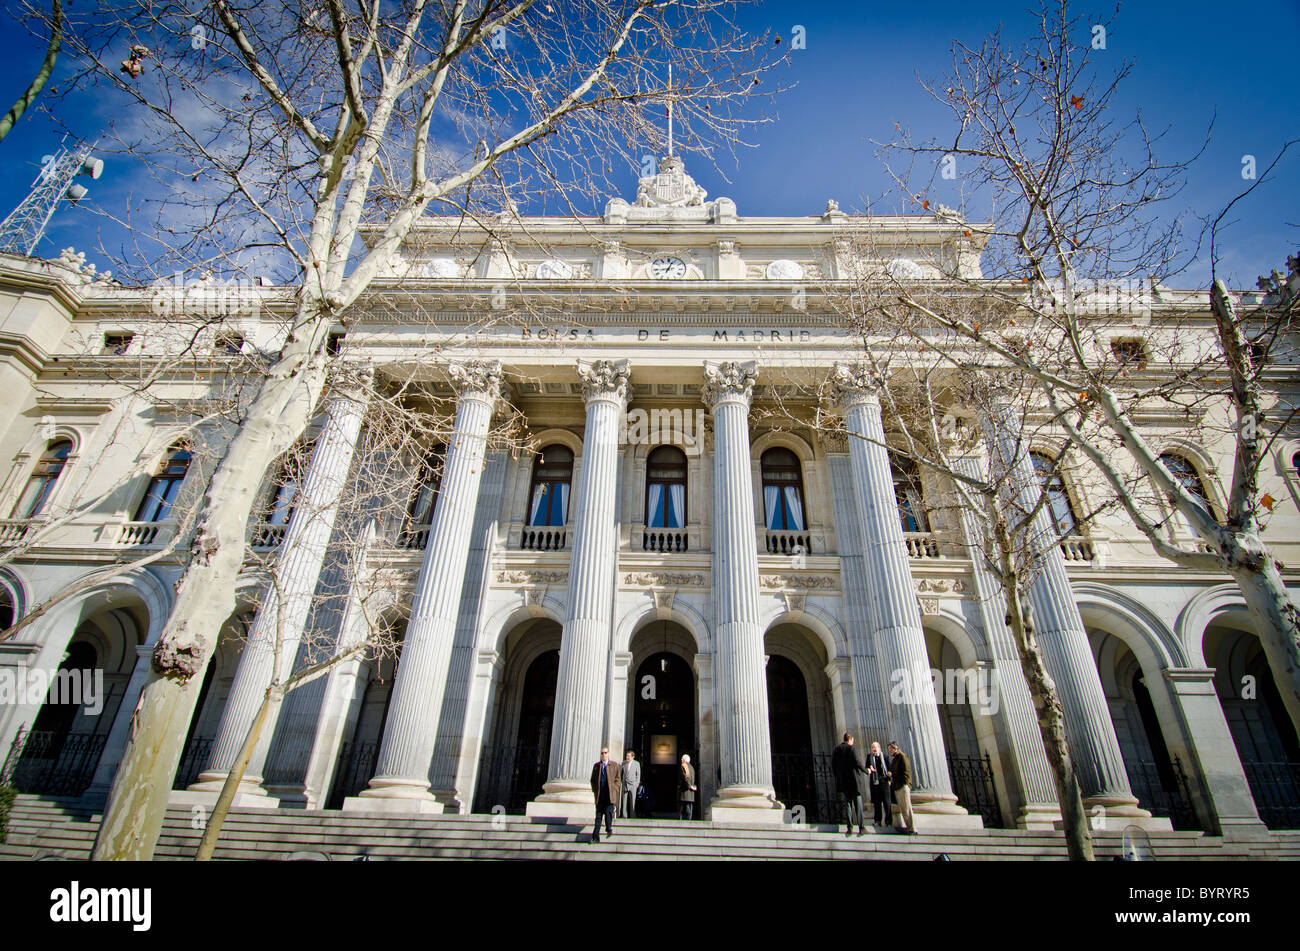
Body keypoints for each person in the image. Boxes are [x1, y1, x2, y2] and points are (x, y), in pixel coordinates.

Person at [830, 732, 868, 835]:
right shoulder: (851, 748)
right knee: (858, 804)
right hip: (854, 781)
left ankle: (850, 827)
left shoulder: (836, 750)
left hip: (843, 782)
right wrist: (866, 770)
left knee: (848, 804)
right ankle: (861, 827)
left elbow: (833, 764)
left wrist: (837, 776)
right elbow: (857, 762)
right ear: (850, 740)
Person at [589, 747, 622, 843]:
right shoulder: (597, 766)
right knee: (598, 818)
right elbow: (593, 780)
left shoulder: (614, 765)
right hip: (600, 796)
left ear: (608, 754)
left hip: (609, 796)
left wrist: (614, 789)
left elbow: (618, 779)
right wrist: (595, 791)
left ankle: (609, 829)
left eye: (605, 753)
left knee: (608, 814)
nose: (604, 755)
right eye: (602, 753)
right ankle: (595, 837)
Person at [887, 741, 916, 834]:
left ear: (895, 748)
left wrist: (907, 784)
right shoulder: (895, 759)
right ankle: (909, 828)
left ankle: (913, 828)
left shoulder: (902, 757)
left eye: (891, 750)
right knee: (903, 809)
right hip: (898, 786)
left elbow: (906, 772)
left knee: (907, 807)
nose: (890, 752)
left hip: (903, 785)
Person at [866, 740, 892, 828]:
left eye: (875, 747)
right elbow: (867, 767)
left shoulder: (885, 757)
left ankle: (888, 821)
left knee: (887, 803)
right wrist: (869, 769)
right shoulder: (869, 757)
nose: (874, 749)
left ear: (879, 748)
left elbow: (889, 769)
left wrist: (889, 779)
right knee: (877, 803)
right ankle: (877, 820)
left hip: (884, 781)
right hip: (875, 782)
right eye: (872, 747)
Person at [620, 749, 641, 819]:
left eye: (629, 756)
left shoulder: (636, 764)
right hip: (625, 784)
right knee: (624, 800)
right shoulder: (623, 763)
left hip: (633, 785)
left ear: (633, 757)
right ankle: (624, 815)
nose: (627, 757)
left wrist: (636, 784)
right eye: (626, 756)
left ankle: (633, 815)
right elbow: (621, 774)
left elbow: (638, 775)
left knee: (633, 801)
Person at [678, 753, 697, 820]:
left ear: (684, 760)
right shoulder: (692, 767)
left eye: (682, 758)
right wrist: (693, 786)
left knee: (682, 808)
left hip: (685, 790)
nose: (681, 760)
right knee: (689, 807)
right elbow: (694, 779)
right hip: (691, 791)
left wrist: (689, 786)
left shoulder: (683, 766)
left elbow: (684, 777)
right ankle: (689, 820)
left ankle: (681, 821)